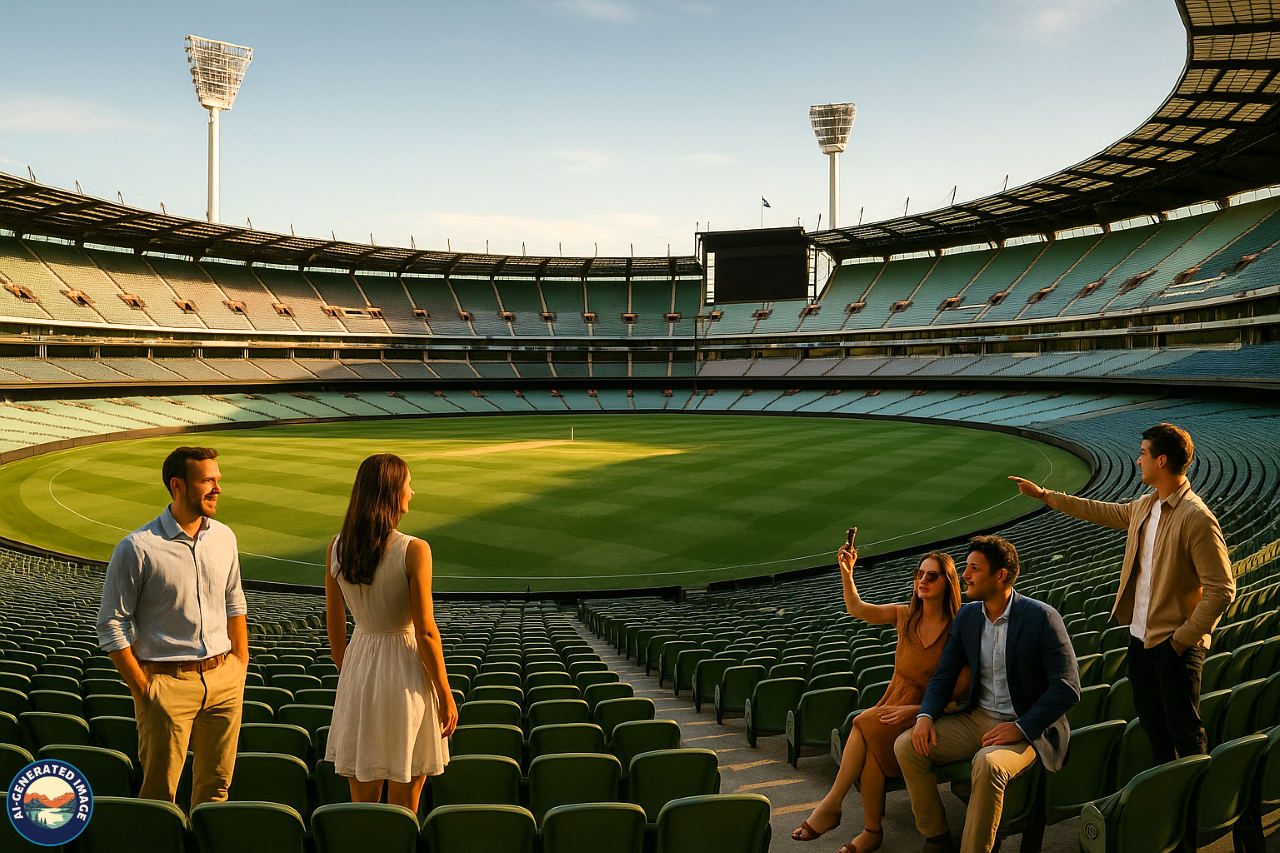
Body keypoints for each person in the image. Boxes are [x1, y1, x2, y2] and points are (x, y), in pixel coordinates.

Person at [1010, 422, 1233, 762]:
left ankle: (1191, 796)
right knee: (1155, 729)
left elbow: (1221, 590)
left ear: (1161, 460)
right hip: (1141, 641)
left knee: (1186, 735)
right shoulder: (1146, 505)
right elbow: (1100, 510)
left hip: (1174, 647)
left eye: (1143, 454)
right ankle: (1166, 789)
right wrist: (1045, 495)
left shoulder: (1197, 517)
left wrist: (1180, 641)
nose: (1138, 460)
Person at [895, 536, 1079, 853]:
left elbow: (1068, 687)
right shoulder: (967, 616)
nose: (965, 575)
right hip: (977, 719)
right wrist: (925, 715)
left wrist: (1020, 727)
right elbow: (944, 675)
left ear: (1000, 575)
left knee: (988, 763)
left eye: (974, 569)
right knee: (907, 745)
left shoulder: (1042, 617)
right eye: (966, 567)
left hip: (1028, 728)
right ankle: (937, 837)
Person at [97, 446, 249, 805]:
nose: (218, 488)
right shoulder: (137, 548)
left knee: (216, 789)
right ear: (178, 486)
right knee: (158, 795)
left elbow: (234, 601)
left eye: (217, 479)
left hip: (224, 680)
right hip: (166, 684)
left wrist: (240, 663)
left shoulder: (224, 537)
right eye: (208, 481)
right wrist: (143, 689)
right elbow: (111, 624)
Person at [792, 547, 967, 853]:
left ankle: (834, 806)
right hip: (893, 702)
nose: (923, 580)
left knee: (862, 723)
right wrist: (847, 573)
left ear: (948, 582)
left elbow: (962, 695)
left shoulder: (958, 629)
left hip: (928, 713)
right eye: (919, 574)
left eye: (932, 576)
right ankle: (870, 830)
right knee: (871, 745)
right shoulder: (904, 615)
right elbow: (857, 608)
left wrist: (918, 711)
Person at [324, 453, 458, 811]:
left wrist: (349, 672)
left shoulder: (337, 547)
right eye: (408, 485)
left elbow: (335, 625)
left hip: (360, 667)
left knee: (362, 801)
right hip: (405, 671)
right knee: (405, 799)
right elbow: (426, 632)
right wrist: (445, 693)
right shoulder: (414, 549)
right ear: (391, 492)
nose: (412, 492)